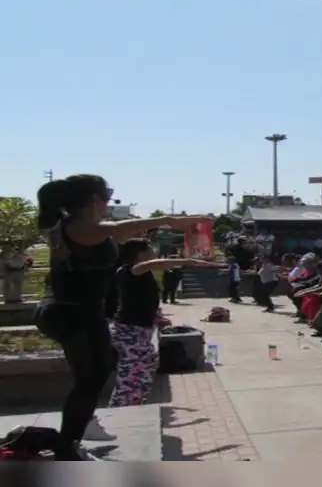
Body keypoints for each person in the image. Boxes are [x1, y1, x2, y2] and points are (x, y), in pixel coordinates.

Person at [32, 174, 208, 460]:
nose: (109, 199)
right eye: (108, 193)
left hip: (82, 311)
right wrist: (167, 220)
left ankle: (77, 432)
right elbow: (117, 229)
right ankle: (69, 445)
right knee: (90, 379)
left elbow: (120, 234)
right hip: (72, 312)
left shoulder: (76, 227)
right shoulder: (78, 227)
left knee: (96, 375)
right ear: (95, 198)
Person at [110, 239, 217, 407]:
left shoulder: (141, 273)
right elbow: (157, 263)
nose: (154, 251)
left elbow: (141, 299)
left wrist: (156, 317)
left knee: (147, 363)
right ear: (140, 253)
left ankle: (135, 403)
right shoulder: (130, 270)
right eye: (150, 248)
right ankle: (120, 407)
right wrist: (190, 261)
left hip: (140, 329)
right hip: (130, 330)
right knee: (132, 372)